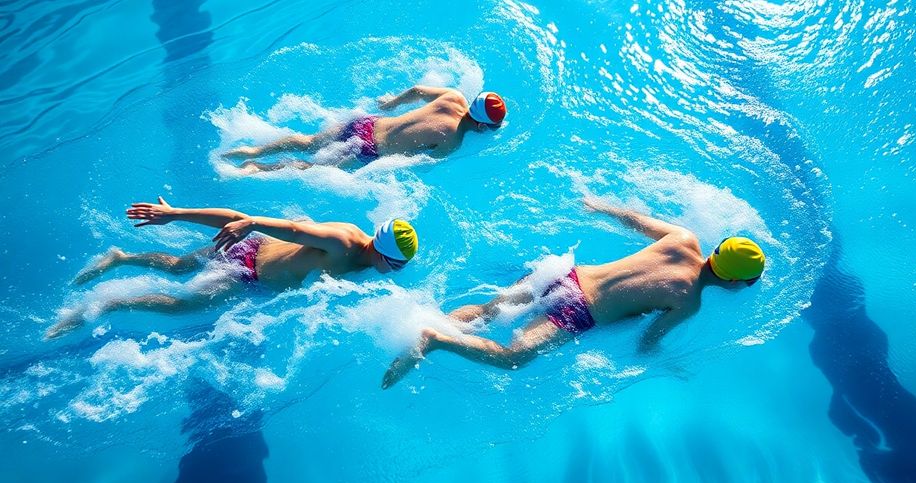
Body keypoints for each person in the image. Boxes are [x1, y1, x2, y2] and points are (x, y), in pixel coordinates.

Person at [381, 196, 765, 389]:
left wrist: (600, 207)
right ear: (732, 282)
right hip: (579, 312)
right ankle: (434, 339)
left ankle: (425, 321)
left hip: (565, 274)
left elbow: (631, 218)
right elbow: (647, 344)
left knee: (486, 312)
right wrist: (668, 364)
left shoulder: (682, 238)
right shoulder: (688, 301)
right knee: (513, 358)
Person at [45, 196, 418, 339]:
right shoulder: (345, 243)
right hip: (248, 271)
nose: (396, 274)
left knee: (177, 267)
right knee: (183, 305)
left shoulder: (363, 248)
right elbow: (284, 227)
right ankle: (110, 304)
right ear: (384, 256)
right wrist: (176, 214)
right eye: (397, 268)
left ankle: (120, 258)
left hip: (257, 249)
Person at [222, 87, 507, 173]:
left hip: (369, 123)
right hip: (368, 150)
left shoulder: (453, 97)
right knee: (311, 167)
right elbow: (414, 162)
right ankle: (257, 167)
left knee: (308, 142)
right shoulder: (452, 141)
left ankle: (254, 149)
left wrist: (391, 103)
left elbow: (418, 90)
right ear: (481, 125)